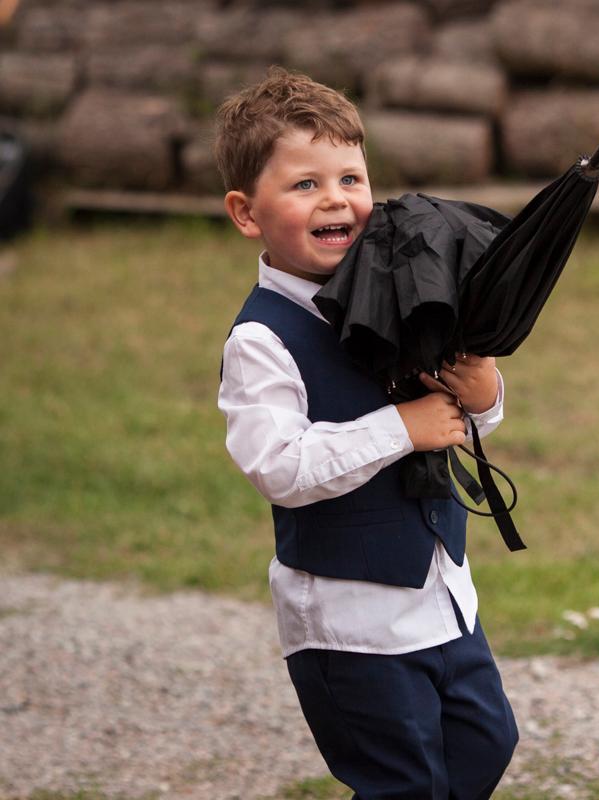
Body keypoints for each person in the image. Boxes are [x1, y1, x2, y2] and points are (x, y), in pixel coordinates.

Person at [215, 67, 519, 799]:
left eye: (350, 178)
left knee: (485, 744)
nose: (336, 199)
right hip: (349, 621)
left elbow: (450, 411)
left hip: (442, 596)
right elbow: (279, 466)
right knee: (402, 783)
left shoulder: (401, 292)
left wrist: (484, 396)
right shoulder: (263, 339)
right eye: (304, 185)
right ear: (246, 212)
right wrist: (400, 427)